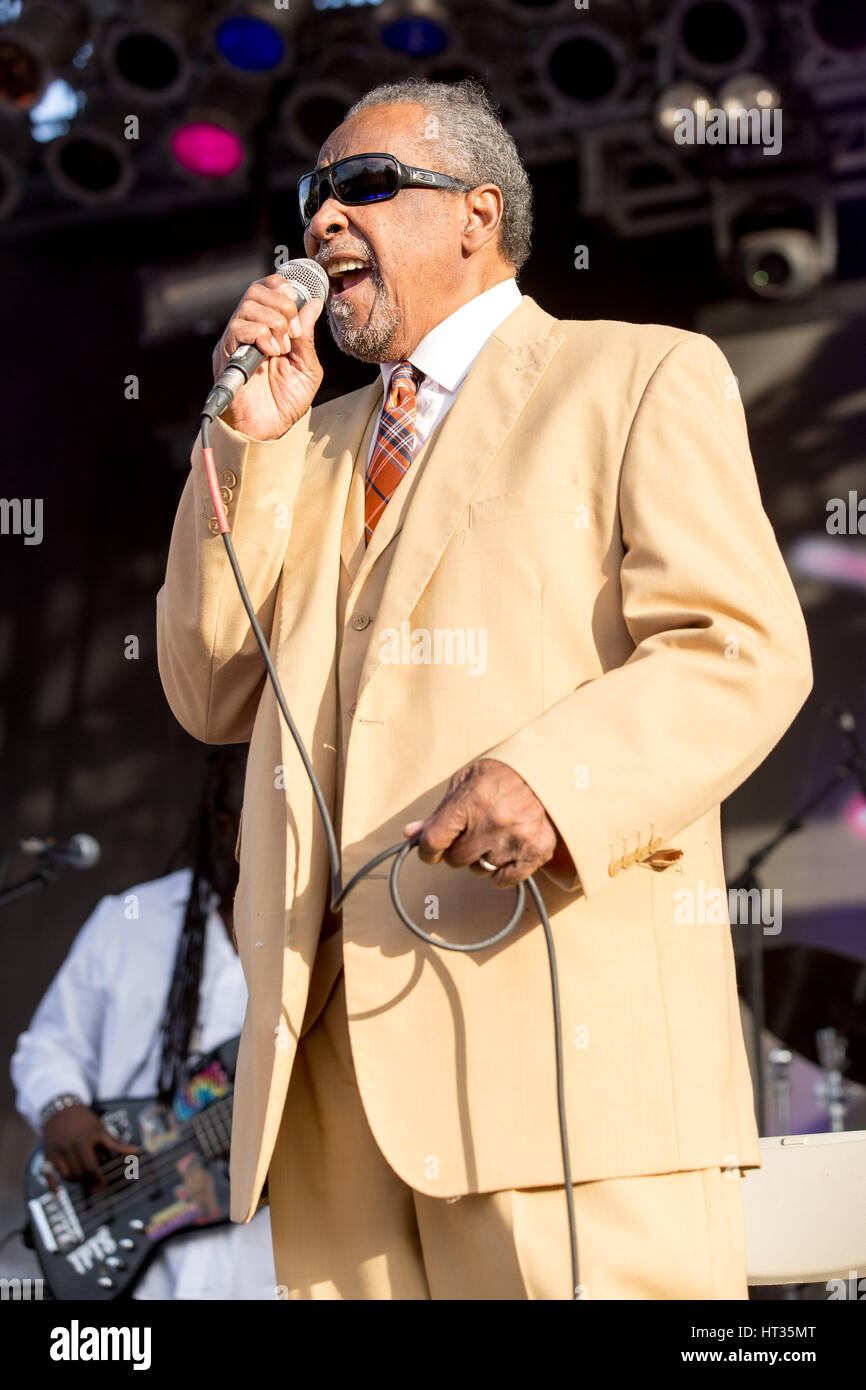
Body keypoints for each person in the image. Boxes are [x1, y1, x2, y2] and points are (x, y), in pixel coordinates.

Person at [156, 78, 813, 1300]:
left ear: (475, 214)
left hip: (558, 1053)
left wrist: (558, 781)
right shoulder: (299, 445)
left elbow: (737, 646)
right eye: (310, 201)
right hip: (335, 1088)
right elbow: (205, 690)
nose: (320, 226)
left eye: (360, 186)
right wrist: (243, 446)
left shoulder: (634, 375)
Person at [11, 745, 276, 1300]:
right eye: (242, 820)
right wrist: (63, 1110)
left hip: (265, 1267)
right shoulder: (130, 919)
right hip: (132, 1254)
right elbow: (48, 1046)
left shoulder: (332, 944)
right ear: (219, 819)